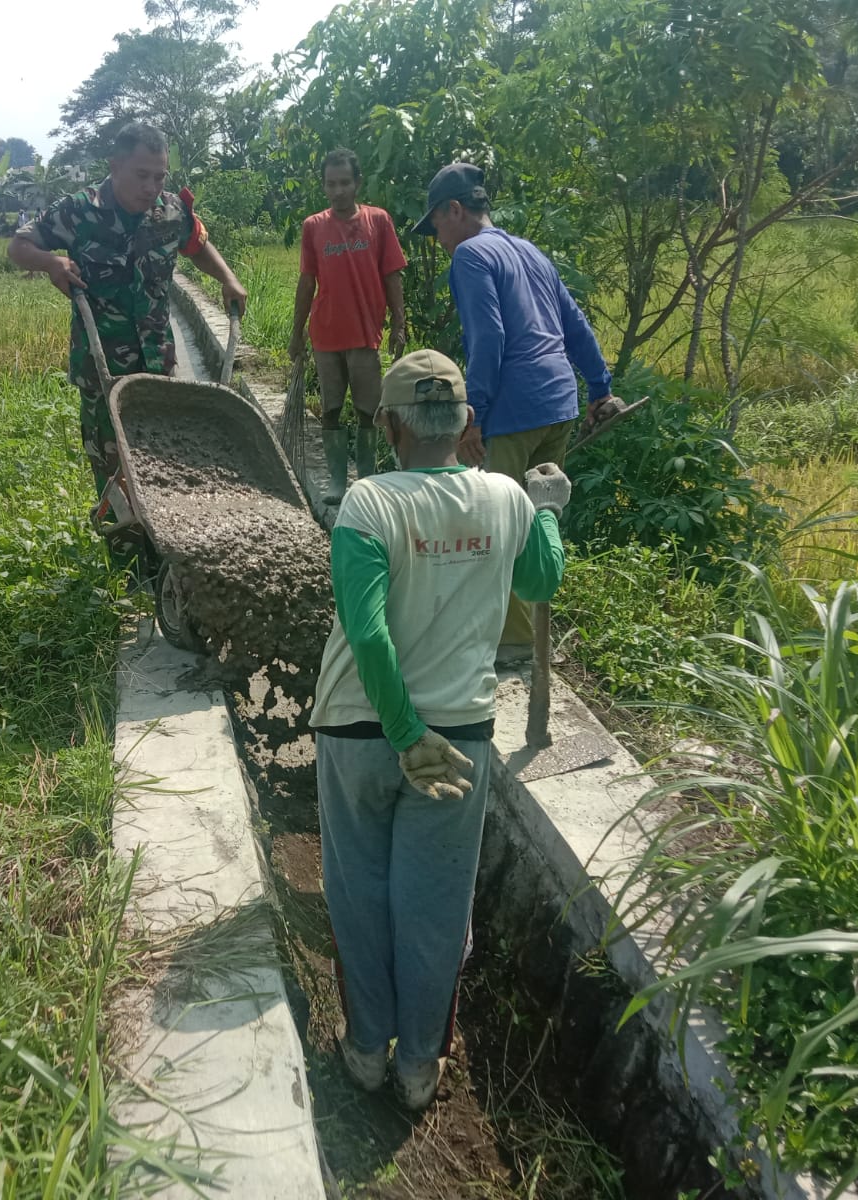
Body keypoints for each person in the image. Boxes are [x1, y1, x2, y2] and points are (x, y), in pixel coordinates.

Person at [310, 348, 569, 1111]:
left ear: (390, 424)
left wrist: (400, 731)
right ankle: (419, 1067)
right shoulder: (506, 500)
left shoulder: (369, 504)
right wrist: (548, 508)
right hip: (460, 739)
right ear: (465, 423)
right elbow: (540, 582)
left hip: (361, 732)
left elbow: (367, 632)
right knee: (434, 904)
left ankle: (364, 1051)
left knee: (360, 893)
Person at [412, 162, 619, 661]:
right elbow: (575, 323)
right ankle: (530, 629)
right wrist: (599, 386)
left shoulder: (470, 257)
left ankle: (515, 643)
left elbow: (489, 339)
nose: (438, 237)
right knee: (536, 518)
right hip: (557, 404)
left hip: (514, 409)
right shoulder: (529, 251)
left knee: (497, 528)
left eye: (436, 225)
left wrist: (473, 415)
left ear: (455, 210)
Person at [8, 122, 248, 494]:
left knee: (164, 461)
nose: (151, 187)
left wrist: (228, 278)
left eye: (159, 176)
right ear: (115, 166)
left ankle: (162, 545)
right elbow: (18, 247)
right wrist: (51, 263)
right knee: (113, 467)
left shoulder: (171, 211)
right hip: (102, 366)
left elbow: (197, 246)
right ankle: (122, 546)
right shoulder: (79, 211)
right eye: (141, 175)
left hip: (159, 365)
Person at [289, 149, 409, 505]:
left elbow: (392, 275)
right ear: (324, 186)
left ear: (357, 183)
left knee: (367, 411)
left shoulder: (379, 221)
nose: (338, 191)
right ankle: (338, 483)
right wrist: (296, 334)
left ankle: (367, 482)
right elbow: (307, 282)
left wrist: (399, 323)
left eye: (344, 183)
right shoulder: (314, 226)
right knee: (330, 409)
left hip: (364, 332)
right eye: (331, 184)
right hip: (326, 332)